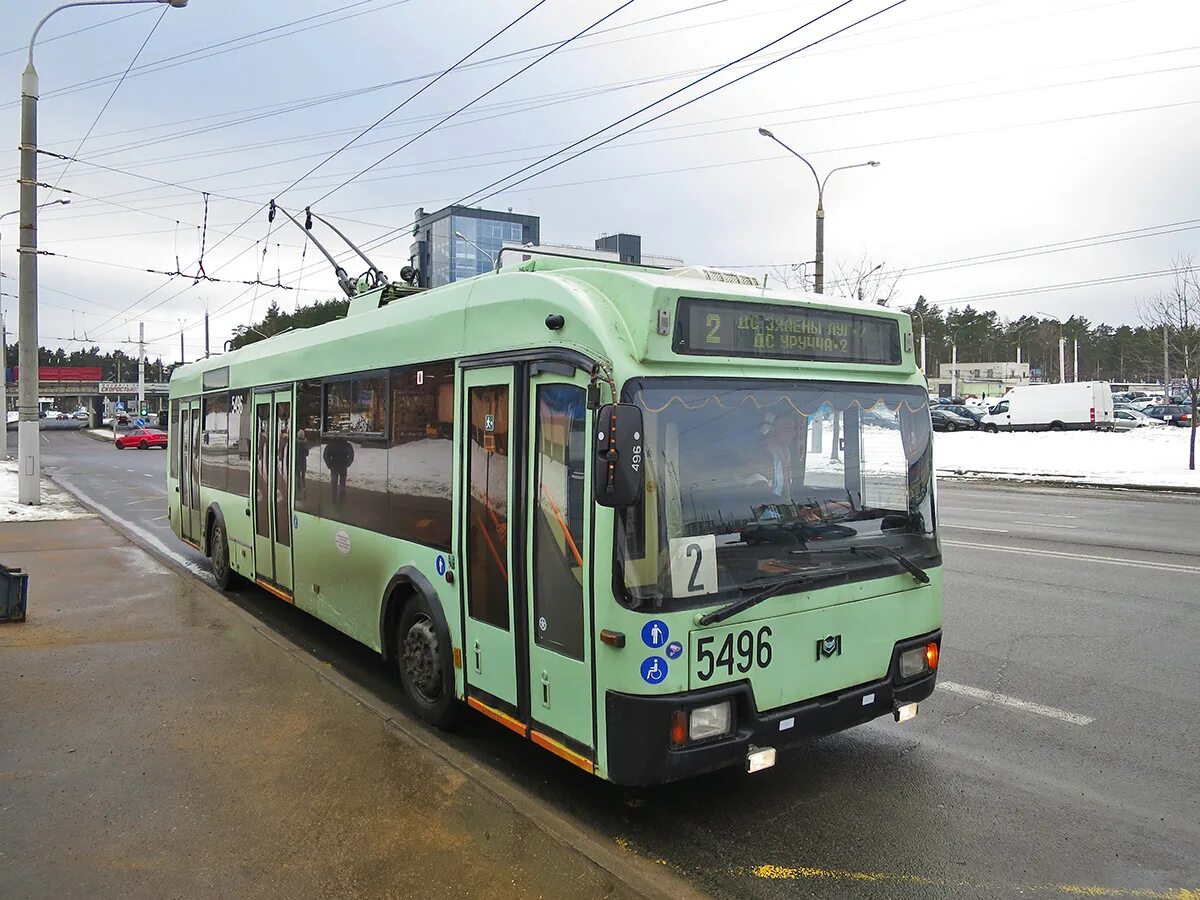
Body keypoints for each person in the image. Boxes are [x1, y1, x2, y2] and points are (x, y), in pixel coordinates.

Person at [323, 435, 355, 507]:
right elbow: (351, 456)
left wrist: (329, 464)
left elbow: (325, 455)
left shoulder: (331, 444)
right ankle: (341, 501)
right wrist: (347, 464)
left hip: (334, 467)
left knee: (334, 485)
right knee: (342, 485)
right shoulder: (346, 444)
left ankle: (334, 501)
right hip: (343, 467)